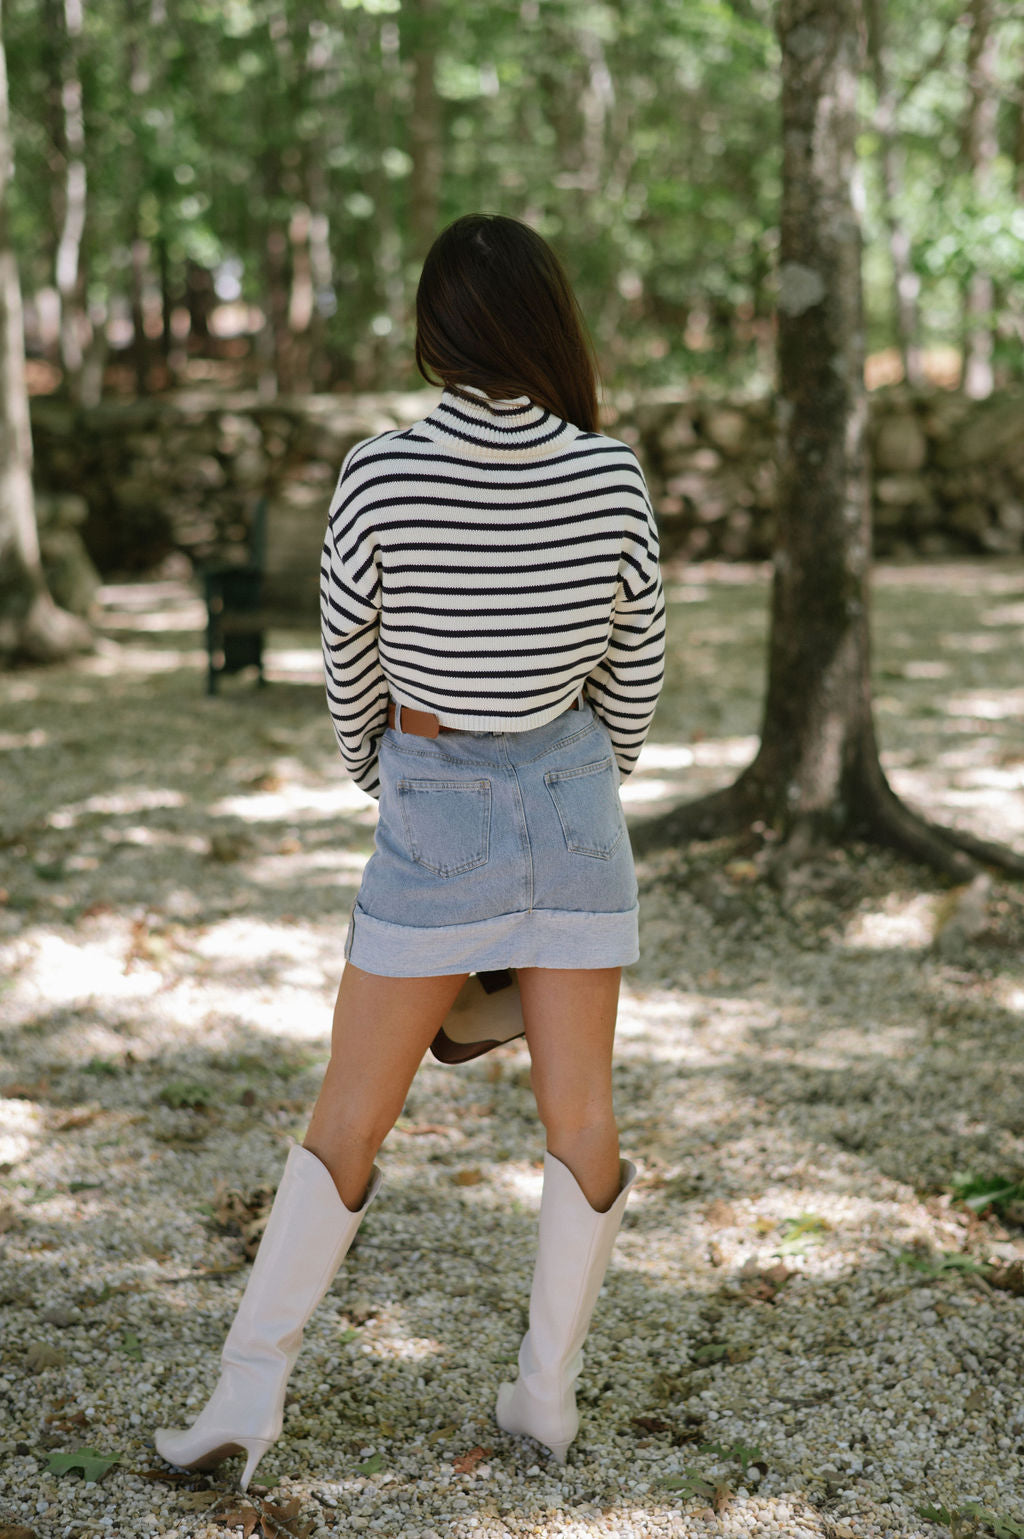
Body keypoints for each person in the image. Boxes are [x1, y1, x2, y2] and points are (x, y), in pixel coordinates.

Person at [155, 213, 666, 1489]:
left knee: (347, 1116)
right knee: (584, 1119)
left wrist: (396, 774)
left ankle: (242, 1401)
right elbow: (636, 678)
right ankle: (544, 1399)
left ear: (435, 332)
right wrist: (577, 778)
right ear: (549, 323)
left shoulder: (378, 473)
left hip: (435, 803)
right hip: (572, 802)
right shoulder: (612, 476)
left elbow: (350, 668)